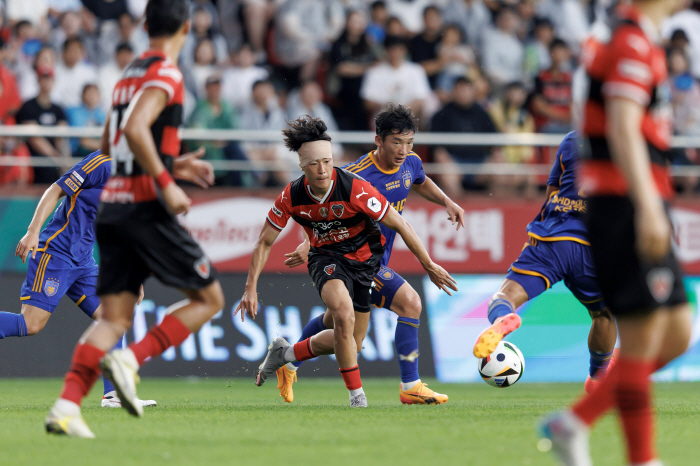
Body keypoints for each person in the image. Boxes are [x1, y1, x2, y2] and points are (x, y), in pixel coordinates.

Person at [45, 0, 224, 438]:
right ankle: (131, 359)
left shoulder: (127, 75)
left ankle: (66, 408)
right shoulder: (167, 73)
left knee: (112, 319)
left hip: (113, 209)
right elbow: (136, 130)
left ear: (145, 25)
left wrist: (172, 163)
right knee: (210, 299)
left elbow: (111, 140)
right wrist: (166, 181)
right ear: (187, 27)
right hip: (145, 206)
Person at [539, 2, 692, 465]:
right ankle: (642, 458)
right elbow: (624, 128)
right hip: (625, 201)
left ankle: (573, 421)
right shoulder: (629, 40)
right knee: (646, 339)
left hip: (636, 198)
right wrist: (648, 206)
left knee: (678, 335)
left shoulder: (631, 36)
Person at [235, 115, 457, 408]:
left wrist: (430, 260)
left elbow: (402, 221)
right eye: (315, 163)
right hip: (326, 258)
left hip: (365, 262)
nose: (323, 169)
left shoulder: (357, 185)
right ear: (302, 166)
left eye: (327, 161)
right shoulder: (293, 194)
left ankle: (287, 354)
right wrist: (251, 287)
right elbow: (264, 242)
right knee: (353, 312)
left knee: (353, 341)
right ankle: (365, 396)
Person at [0, 150, 155, 409]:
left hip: (83, 261)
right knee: (30, 324)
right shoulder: (102, 163)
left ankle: (114, 395)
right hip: (56, 253)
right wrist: (32, 231)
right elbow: (55, 190)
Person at [472, 132, 618, 392]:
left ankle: (504, 318)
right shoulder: (628, 141)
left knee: (503, 297)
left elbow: (552, 190)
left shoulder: (573, 139)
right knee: (603, 314)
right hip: (593, 244)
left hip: (552, 238)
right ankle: (597, 377)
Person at [15, 66, 70, 185]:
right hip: (34, 155)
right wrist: (56, 157)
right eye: (43, 79)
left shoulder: (58, 109)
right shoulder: (28, 106)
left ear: (53, 81)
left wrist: (64, 158)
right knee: (47, 168)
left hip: (55, 155)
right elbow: (34, 138)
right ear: (38, 80)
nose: (46, 82)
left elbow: (61, 136)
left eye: (49, 79)